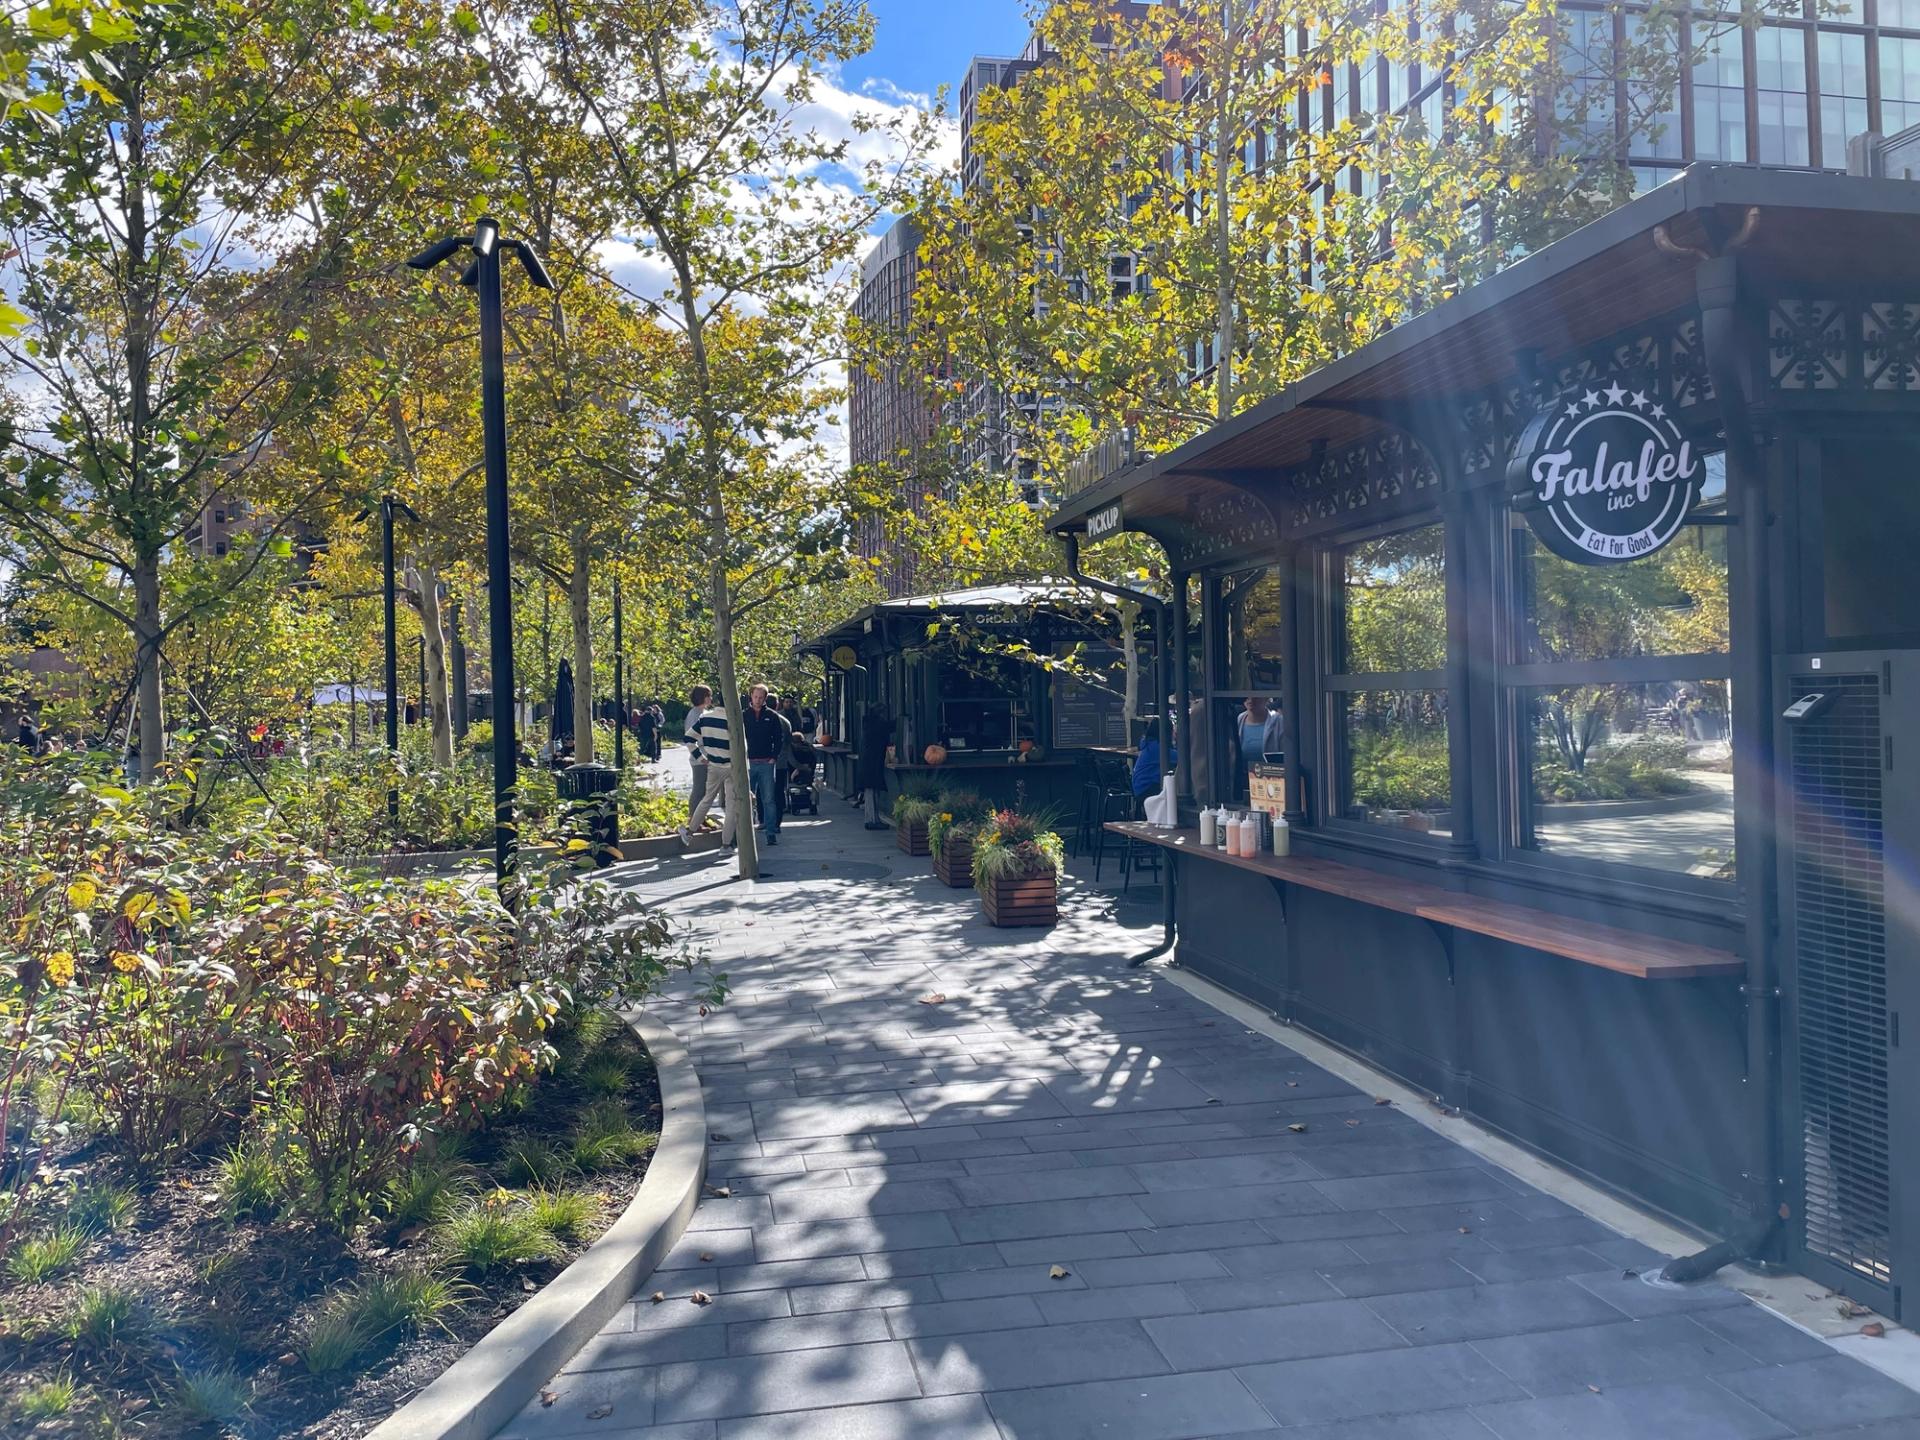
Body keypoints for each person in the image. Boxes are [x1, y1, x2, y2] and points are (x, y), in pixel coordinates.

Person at [683, 701, 738, 849]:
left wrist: (700, 757)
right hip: (732, 765)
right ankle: (726, 845)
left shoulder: (705, 717)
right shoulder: (734, 719)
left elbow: (688, 739)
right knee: (732, 805)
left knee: (707, 799)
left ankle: (690, 831)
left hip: (713, 764)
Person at [741, 683, 789, 846]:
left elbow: (778, 738)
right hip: (748, 762)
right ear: (751, 696)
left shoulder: (772, 716)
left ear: (765, 698)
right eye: (755, 696)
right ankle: (744, 834)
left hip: (766, 762)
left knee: (768, 799)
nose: (758, 700)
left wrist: (773, 757)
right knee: (745, 799)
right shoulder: (744, 715)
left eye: (761, 697)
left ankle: (771, 832)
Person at [857, 703, 891, 830]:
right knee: (871, 792)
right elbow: (887, 727)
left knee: (871, 792)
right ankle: (872, 820)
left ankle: (873, 819)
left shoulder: (869, 723)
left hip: (870, 763)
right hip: (871, 764)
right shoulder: (876, 724)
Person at [683, 684, 712, 821]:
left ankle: (701, 819)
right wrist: (700, 758)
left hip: (708, 757)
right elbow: (689, 739)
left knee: (706, 792)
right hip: (700, 759)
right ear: (702, 697)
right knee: (699, 790)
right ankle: (694, 819)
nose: (710, 698)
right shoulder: (694, 714)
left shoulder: (704, 713)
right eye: (708, 695)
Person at [1237, 696, 1283, 770]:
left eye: (1256, 695)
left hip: (1271, 778)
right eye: (1246, 694)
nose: (1250, 698)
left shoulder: (1279, 722)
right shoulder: (1238, 720)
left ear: (1266, 698)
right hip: (1242, 778)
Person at [1133, 732, 1175, 799]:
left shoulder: (1149, 745)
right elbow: (1181, 758)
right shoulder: (1158, 747)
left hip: (1140, 786)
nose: (1174, 734)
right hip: (1147, 788)